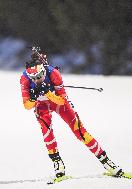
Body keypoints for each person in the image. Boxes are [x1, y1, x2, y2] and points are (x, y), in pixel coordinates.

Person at [20, 50, 123, 179]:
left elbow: (62, 101)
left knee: (79, 130)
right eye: (33, 79)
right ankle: (58, 163)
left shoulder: (53, 73)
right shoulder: (24, 79)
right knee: (46, 131)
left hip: (57, 103)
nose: (37, 80)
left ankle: (106, 162)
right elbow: (27, 106)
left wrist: (49, 93)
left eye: (39, 76)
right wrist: (33, 98)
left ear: (43, 71)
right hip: (41, 106)